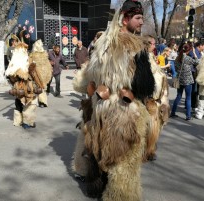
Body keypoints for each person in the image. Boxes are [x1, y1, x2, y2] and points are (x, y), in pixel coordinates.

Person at [72, 0, 156, 199]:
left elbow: (86, 80)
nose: (141, 22)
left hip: (101, 109)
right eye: (138, 18)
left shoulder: (102, 43)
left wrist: (97, 91)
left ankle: (96, 188)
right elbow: (144, 86)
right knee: (125, 163)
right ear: (125, 18)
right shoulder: (137, 46)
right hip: (126, 114)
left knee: (100, 152)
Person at [170, 43, 199, 120]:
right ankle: (188, 116)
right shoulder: (188, 58)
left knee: (178, 96)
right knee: (188, 98)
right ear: (189, 50)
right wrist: (195, 53)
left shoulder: (178, 58)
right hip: (188, 81)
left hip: (180, 80)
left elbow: (175, 68)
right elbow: (197, 62)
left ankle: (173, 112)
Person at [29, 39, 52, 108]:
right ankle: (40, 101)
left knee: (40, 87)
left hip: (41, 74)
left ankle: (41, 102)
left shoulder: (40, 54)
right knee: (39, 87)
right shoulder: (35, 54)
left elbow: (47, 64)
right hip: (37, 73)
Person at [189, 41, 204, 110]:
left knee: (196, 90)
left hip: (197, 73)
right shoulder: (193, 52)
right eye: (203, 46)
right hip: (193, 73)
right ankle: (193, 105)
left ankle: (193, 104)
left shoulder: (198, 52)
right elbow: (196, 62)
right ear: (200, 46)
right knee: (194, 90)